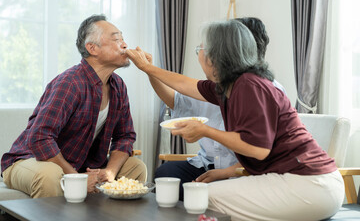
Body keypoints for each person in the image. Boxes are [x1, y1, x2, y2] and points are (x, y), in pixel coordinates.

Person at [126, 20, 344, 220]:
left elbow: (258, 149)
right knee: (198, 193)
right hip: (303, 181)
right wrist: (148, 69)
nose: (199, 55)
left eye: (200, 49)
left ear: (215, 57)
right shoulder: (232, 86)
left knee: (200, 197)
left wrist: (205, 131)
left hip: (308, 184)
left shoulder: (249, 86)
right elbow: (184, 84)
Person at [1, 14, 147, 198]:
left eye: (123, 39)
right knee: (49, 175)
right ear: (92, 48)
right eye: (116, 39)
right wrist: (76, 179)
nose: (125, 45)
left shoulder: (118, 86)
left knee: (135, 167)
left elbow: (125, 136)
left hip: (80, 163)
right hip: (28, 160)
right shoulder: (70, 83)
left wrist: (109, 172)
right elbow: (40, 138)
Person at [154, 17, 287, 201]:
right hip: (208, 164)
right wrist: (148, 69)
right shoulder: (220, 85)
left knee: (203, 195)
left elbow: (261, 152)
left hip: (246, 170)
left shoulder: (258, 88)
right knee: (167, 175)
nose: (206, 54)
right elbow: (181, 89)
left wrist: (224, 171)